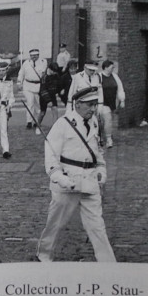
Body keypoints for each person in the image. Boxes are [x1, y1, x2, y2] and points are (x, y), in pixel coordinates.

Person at [37, 83, 116, 263]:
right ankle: (44, 256)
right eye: (89, 105)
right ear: (77, 104)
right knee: (56, 224)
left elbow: (97, 150)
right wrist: (58, 177)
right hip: (67, 182)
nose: (93, 109)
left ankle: (108, 264)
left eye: (95, 104)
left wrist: (101, 169)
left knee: (97, 226)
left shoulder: (94, 122)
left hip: (89, 181)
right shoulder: (63, 124)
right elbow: (50, 153)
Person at [18, 48, 46, 130]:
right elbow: (21, 73)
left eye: (35, 55)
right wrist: (19, 83)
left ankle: (37, 121)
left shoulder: (43, 62)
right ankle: (29, 122)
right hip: (28, 85)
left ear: (38, 55)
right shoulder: (26, 63)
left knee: (38, 105)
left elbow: (44, 74)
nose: (33, 57)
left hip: (38, 86)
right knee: (30, 103)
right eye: (32, 56)